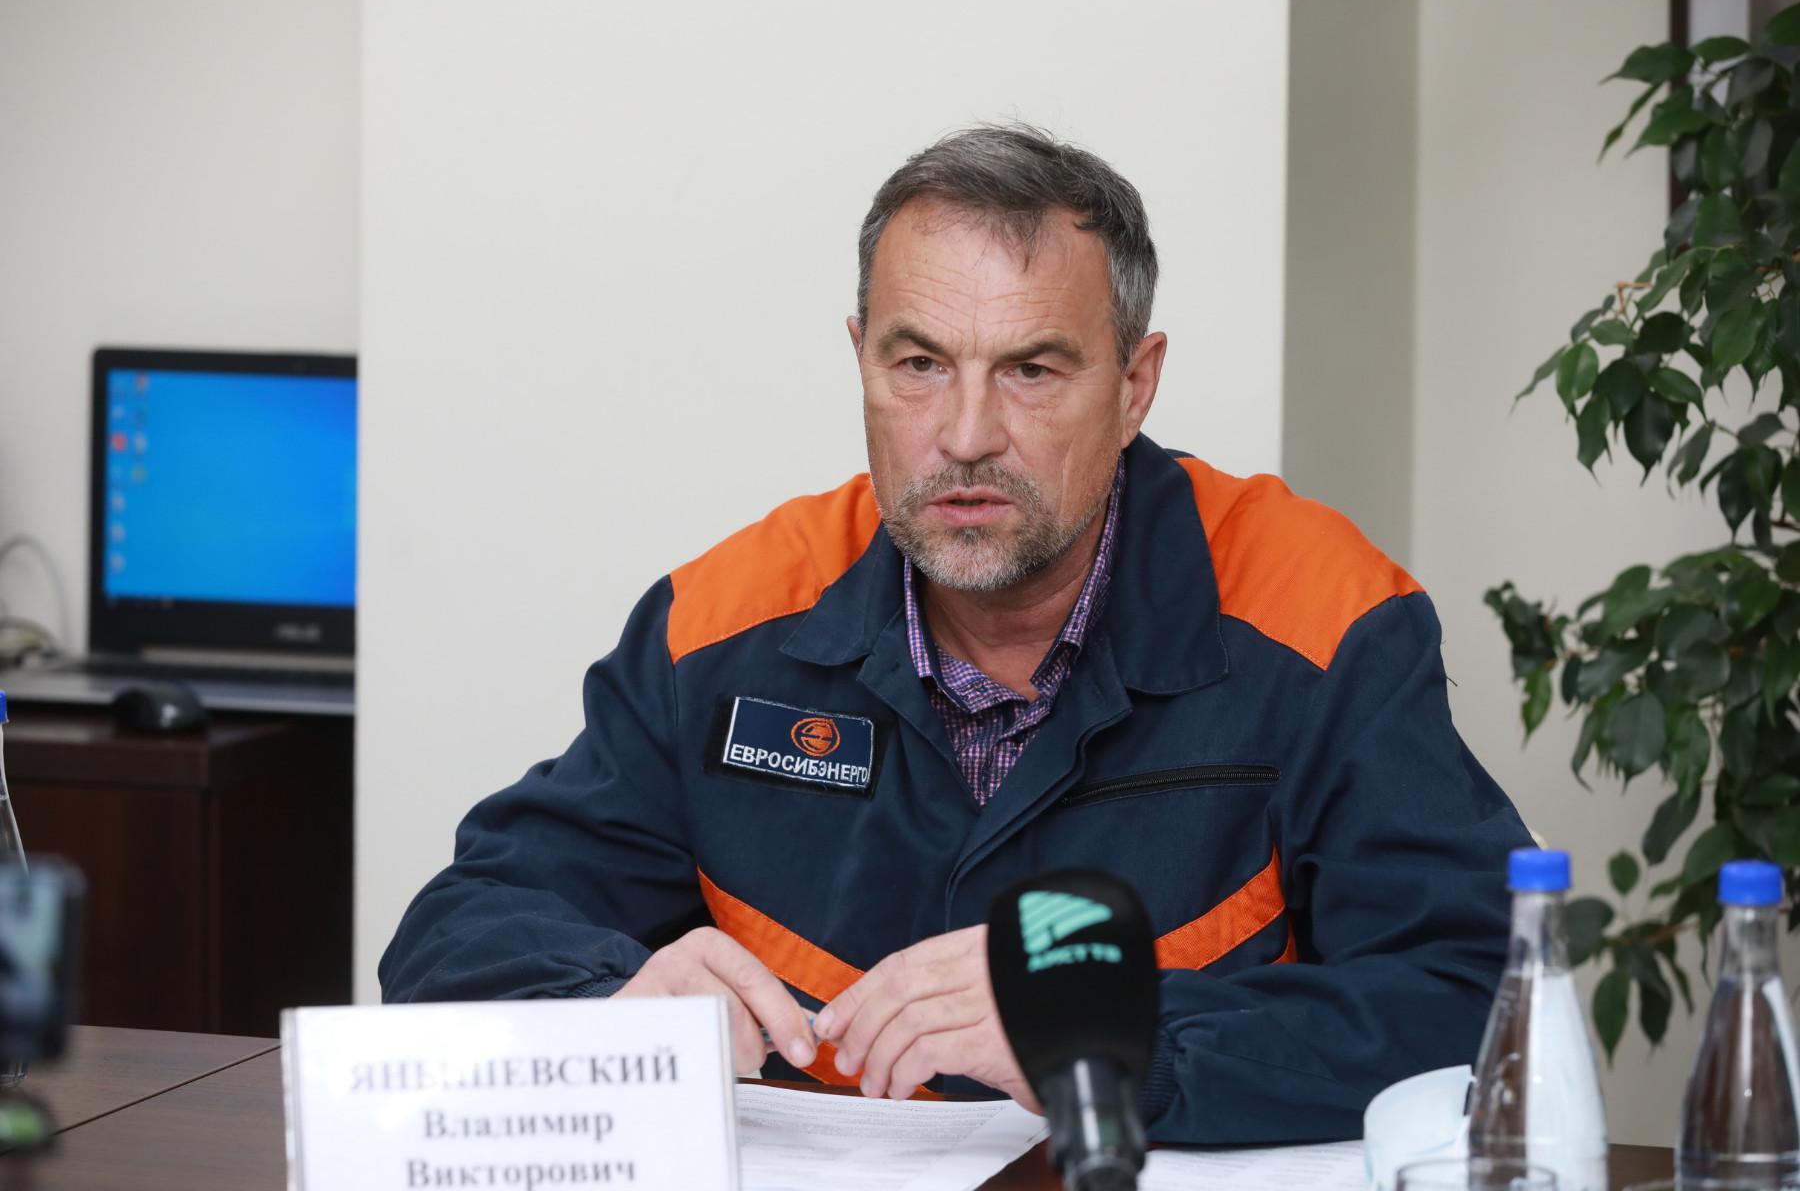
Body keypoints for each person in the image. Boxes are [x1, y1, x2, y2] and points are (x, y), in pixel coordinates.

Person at [380, 124, 1532, 1144]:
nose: (965, 434)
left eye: (1031, 370)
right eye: (920, 364)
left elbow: (1478, 995)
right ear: (862, 359)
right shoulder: (722, 625)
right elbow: (457, 932)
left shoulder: (1325, 621)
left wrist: (1105, 1030)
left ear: (1135, 386)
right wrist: (608, 1008)